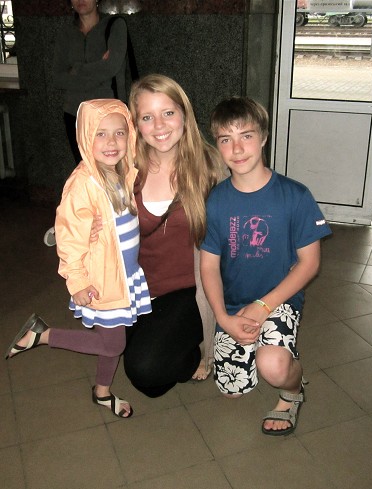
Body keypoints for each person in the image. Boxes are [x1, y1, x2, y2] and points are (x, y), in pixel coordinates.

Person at [5, 99, 151, 418]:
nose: (111, 142)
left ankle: (102, 392)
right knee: (113, 344)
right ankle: (43, 335)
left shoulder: (120, 171)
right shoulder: (84, 183)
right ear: (85, 137)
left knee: (112, 339)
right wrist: (78, 281)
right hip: (101, 279)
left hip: (123, 274)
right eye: (100, 134)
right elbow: (69, 237)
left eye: (119, 133)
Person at [200, 96, 332, 436]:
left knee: (273, 368)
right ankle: (268, 349)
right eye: (226, 139)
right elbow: (209, 266)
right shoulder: (216, 200)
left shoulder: (295, 195)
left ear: (264, 137)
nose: (237, 148)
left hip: (279, 299)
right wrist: (223, 318)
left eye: (246, 135)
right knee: (233, 390)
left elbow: (309, 264)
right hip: (234, 305)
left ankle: (293, 389)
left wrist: (263, 307)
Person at [90, 74, 225, 396]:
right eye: (147, 117)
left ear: (184, 114)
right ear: (135, 124)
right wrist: (92, 230)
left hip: (189, 288)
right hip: (136, 287)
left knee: (145, 370)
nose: (159, 125)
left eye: (168, 112)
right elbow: (84, 213)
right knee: (148, 380)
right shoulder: (122, 168)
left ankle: (197, 346)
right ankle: (174, 344)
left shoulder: (211, 166)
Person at [45, 0, 128, 247]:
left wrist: (76, 70)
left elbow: (112, 67)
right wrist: (96, 68)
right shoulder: (66, 33)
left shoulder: (114, 26)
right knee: (86, 172)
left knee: (115, 170)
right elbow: (57, 77)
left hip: (107, 115)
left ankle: (117, 223)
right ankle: (81, 223)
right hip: (75, 114)